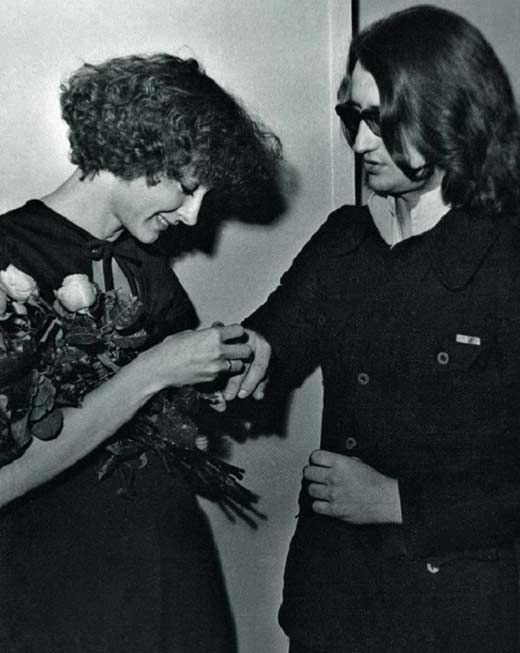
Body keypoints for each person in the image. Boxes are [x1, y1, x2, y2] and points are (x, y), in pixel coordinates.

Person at [226, 5, 520, 652]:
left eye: (383, 122)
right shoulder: (346, 237)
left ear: (450, 115)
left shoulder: (506, 257)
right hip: (334, 605)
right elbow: (277, 333)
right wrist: (240, 356)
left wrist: (399, 502)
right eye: (352, 118)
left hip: (455, 617)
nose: (360, 144)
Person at [0, 53, 280, 652]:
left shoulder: (146, 266)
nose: (195, 215)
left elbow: (171, 421)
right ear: (133, 153)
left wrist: (225, 364)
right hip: (58, 600)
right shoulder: (7, 258)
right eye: (187, 186)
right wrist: (153, 371)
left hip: (174, 582)